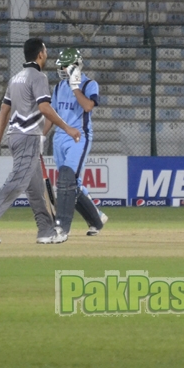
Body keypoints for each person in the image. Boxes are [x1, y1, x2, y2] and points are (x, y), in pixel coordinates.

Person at [0, 38, 81, 245]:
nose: (47, 55)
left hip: (15, 137)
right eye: (46, 51)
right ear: (40, 54)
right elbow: (44, 108)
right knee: (18, 181)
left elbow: (4, 111)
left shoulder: (15, 78)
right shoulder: (39, 77)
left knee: (35, 190)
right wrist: (67, 127)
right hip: (28, 137)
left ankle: (46, 231)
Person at [47, 47, 108, 237]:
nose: (64, 70)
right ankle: (96, 220)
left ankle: (62, 226)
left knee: (66, 179)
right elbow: (52, 114)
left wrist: (75, 87)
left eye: (67, 66)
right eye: (62, 66)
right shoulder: (58, 87)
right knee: (73, 183)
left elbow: (88, 106)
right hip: (60, 137)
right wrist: (41, 135)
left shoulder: (90, 84)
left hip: (79, 136)